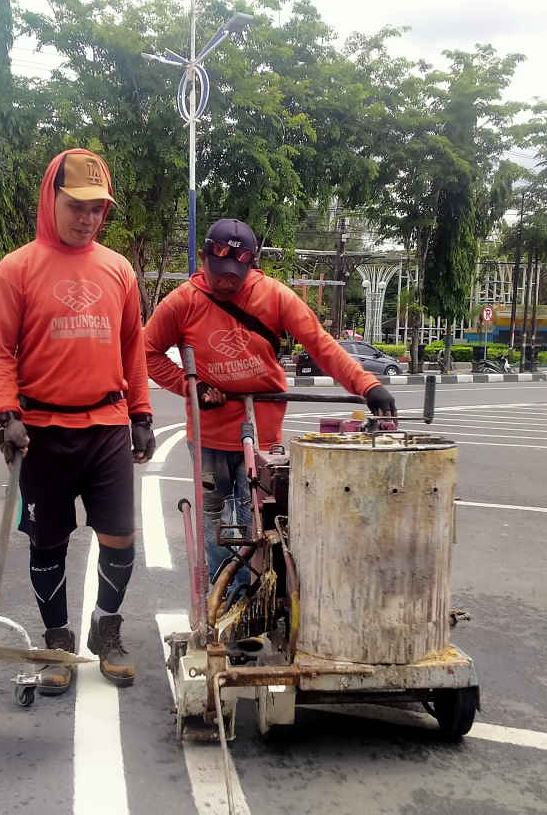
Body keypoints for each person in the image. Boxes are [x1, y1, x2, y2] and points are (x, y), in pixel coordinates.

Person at [0, 149, 155, 695]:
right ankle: (56, 639)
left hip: (105, 423)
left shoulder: (118, 268)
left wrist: (143, 413)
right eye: (77, 205)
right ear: (50, 198)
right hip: (41, 432)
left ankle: (106, 629)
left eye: (98, 208)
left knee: (121, 536)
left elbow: (134, 349)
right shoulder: (17, 268)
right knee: (48, 542)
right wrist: (6, 409)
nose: (87, 217)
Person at [144, 218, 396, 579]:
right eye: (219, 273)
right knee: (214, 517)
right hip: (209, 436)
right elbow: (147, 353)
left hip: (262, 436)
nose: (227, 282)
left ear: (251, 265)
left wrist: (368, 385)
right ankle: (220, 597)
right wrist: (192, 387)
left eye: (236, 273)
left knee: (257, 521)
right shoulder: (183, 302)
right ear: (203, 260)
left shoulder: (274, 296)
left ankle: (249, 596)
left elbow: (322, 346)